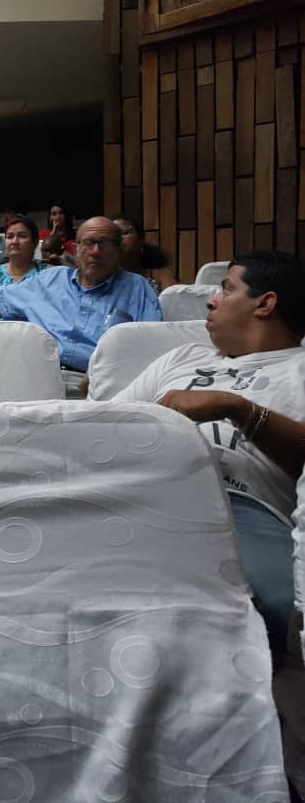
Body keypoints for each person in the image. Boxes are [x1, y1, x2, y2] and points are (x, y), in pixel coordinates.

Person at [111, 251, 305, 653]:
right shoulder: (182, 358)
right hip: (144, 487)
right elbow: (107, 425)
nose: (211, 300)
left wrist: (238, 407)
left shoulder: (299, 369)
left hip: (244, 505)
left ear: (265, 303)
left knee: (270, 609)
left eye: (227, 288)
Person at [0, 216, 162, 374]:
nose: (95, 251)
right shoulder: (52, 279)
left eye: (104, 243)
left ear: (119, 250)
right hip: (41, 373)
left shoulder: (137, 287)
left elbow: (151, 346)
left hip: (100, 379)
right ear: (75, 250)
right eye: (88, 243)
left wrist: (115, 373)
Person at [111, 212, 178, 293]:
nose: (119, 238)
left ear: (141, 239)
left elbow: (176, 302)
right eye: (114, 235)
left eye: (124, 232)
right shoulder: (102, 278)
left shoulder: (159, 276)